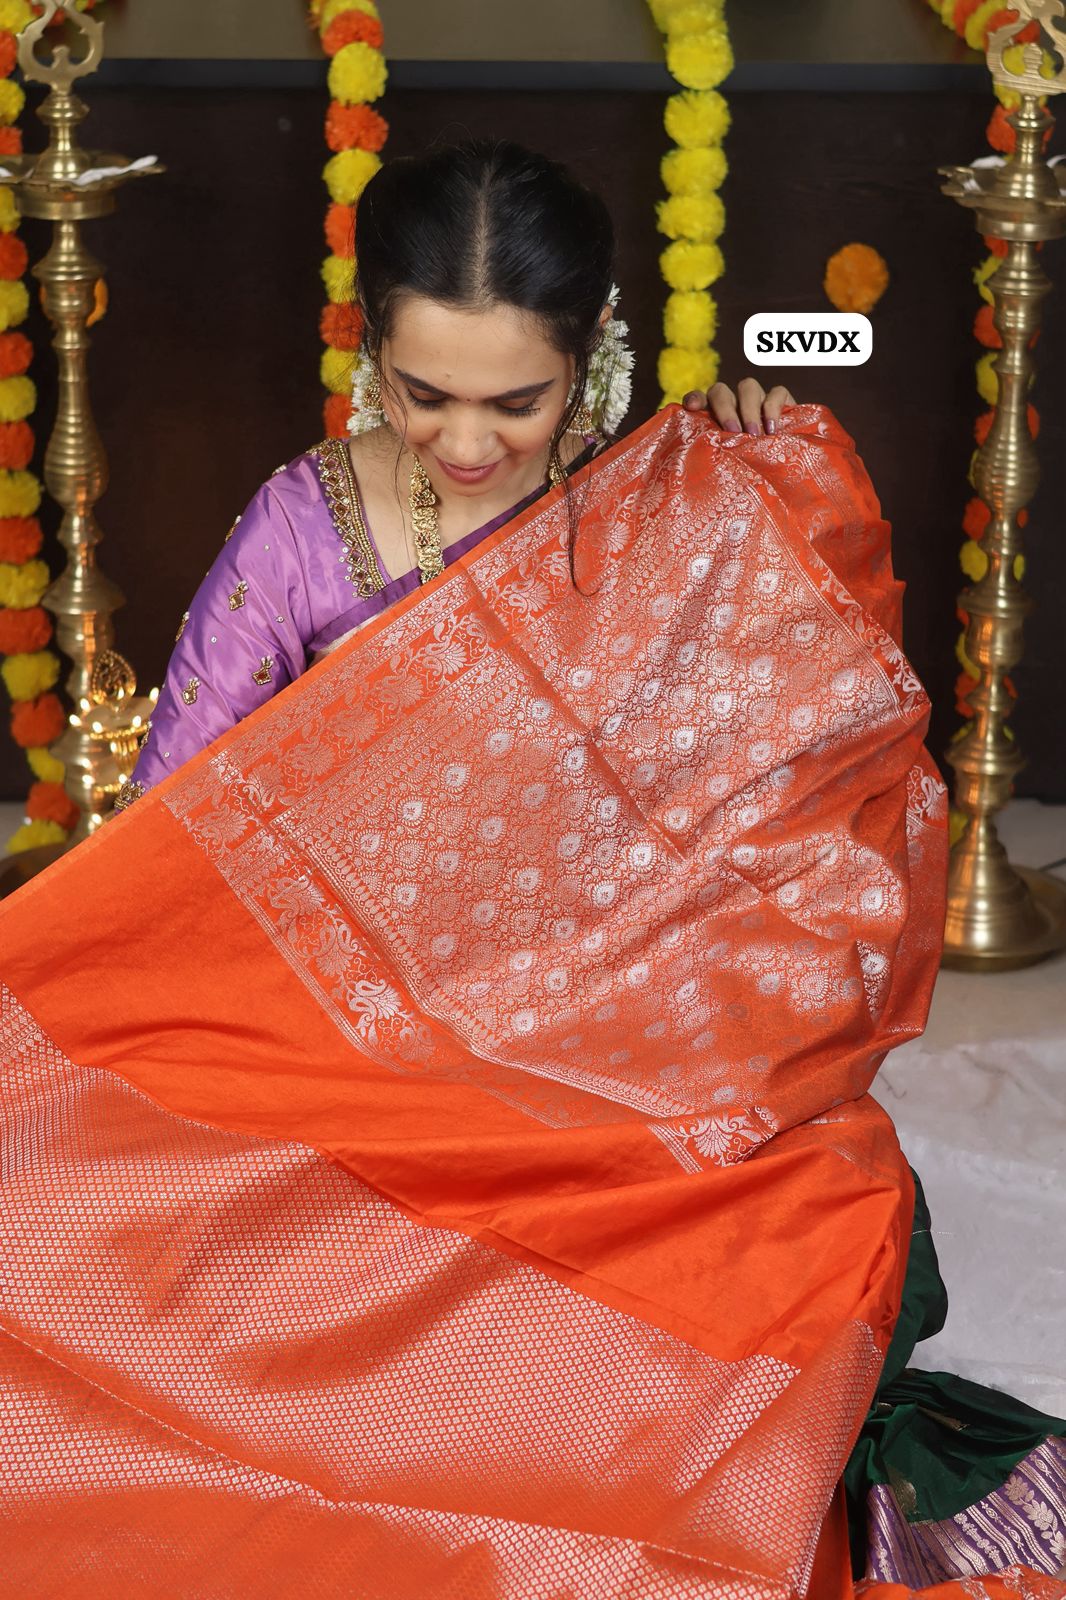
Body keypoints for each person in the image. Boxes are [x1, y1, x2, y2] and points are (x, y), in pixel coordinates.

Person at [0, 140, 1062, 1600]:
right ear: (367, 342)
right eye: (420, 391)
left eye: (519, 400)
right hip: (328, 1022)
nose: (465, 442)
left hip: (583, 1029)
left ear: (596, 351)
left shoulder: (664, 510)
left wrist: (752, 469)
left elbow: (779, 785)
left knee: (804, 1217)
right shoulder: (301, 531)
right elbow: (182, 840)